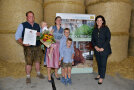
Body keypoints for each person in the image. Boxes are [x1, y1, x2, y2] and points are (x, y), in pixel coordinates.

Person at [15, 11, 45, 84]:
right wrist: (23, 43)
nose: (32, 18)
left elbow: (42, 35)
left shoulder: (37, 25)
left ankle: (38, 73)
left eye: (33, 16)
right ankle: (28, 76)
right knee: (29, 62)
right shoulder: (22, 25)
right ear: (27, 17)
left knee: (38, 61)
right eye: (30, 16)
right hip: (28, 47)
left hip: (37, 46)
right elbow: (17, 36)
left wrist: (40, 34)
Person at [91, 15, 112, 84]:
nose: (99, 22)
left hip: (104, 50)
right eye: (97, 20)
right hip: (97, 50)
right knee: (99, 63)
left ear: (103, 21)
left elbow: (108, 39)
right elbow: (92, 40)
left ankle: (101, 77)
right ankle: (99, 74)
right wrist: (95, 47)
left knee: (103, 64)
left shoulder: (106, 29)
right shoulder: (94, 30)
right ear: (96, 22)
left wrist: (102, 48)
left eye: (100, 20)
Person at [46, 16, 64, 83]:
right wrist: (50, 33)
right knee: (50, 61)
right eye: (57, 20)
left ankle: (56, 74)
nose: (59, 21)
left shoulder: (62, 30)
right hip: (51, 46)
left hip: (58, 47)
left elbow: (63, 39)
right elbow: (45, 36)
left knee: (57, 61)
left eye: (60, 20)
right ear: (55, 21)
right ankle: (49, 76)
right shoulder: (51, 27)